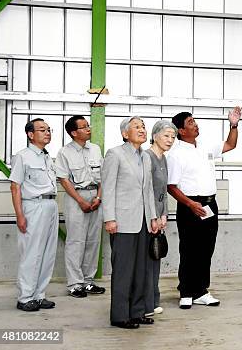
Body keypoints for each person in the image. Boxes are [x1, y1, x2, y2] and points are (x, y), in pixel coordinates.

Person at [168, 107, 241, 309]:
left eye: (194, 121)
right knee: (188, 248)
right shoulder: (175, 154)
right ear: (181, 130)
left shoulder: (205, 146)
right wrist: (191, 204)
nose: (195, 124)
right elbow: (171, 187)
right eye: (190, 122)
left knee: (206, 248)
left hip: (210, 204)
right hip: (189, 205)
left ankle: (201, 291)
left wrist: (233, 124)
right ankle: (186, 291)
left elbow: (230, 144)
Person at [101, 116, 159, 329]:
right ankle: (119, 316)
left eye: (143, 126)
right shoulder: (115, 154)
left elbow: (148, 190)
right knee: (124, 270)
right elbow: (108, 188)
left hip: (143, 221)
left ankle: (137, 312)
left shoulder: (145, 157)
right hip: (122, 221)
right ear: (125, 133)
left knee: (141, 270)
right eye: (137, 127)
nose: (142, 130)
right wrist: (109, 218)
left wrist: (153, 217)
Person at [9, 118, 58, 312]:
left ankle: (39, 295)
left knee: (48, 252)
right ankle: (25, 297)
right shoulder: (23, 156)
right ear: (30, 135)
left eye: (48, 129)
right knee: (31, 253)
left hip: (50, 205)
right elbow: (15, 187)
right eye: (42, 130)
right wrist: (20, 215)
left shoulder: (46, 156)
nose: (47, 133)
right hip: (33, 207)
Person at [55, 115, 106, 298]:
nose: (88, 129)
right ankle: (75, 284)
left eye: (88, 126)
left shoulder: (95, 149)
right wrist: (80, 201)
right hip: (76, 198)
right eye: (84, 127)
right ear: (74, 132)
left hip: (96, 198)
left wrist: (99, 197)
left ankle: (88, 281)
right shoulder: (64, 152)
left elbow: (102, 176)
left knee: (93, 241)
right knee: (76, 241)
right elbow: (64, 180)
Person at [144, 120, 177, 316]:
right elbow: (146, 191)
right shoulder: (146, 157)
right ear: (155, 135)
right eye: (166, 135)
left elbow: (162, 191)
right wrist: (154, 217)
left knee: (155, 259)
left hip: (159, 218)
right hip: (148, 218)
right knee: (147, 263)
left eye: (173, 137)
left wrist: (165, 214)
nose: (170, 140)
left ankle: (153, 299)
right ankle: (146, 302)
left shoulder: (163, 158)